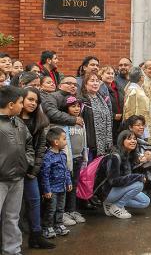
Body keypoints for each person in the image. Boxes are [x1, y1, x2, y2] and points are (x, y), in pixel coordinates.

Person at [19, 88, 56, 249]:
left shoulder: (40, 122)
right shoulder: (12, 119)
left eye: (36, 101)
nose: (33, 103)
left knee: (34, 201)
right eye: (30, 100)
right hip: (12, 169)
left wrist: (34, 169)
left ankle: (36, 236)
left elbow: (41, 148)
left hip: (31, 170)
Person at [0, 86, 34, 255]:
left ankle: (12, 250)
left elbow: (29, 144)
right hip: (1, 180)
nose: (23, 106)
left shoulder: (18, 122)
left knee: (12, 217)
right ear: (11, 104)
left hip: (18, 178)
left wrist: (27, 162)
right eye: (21, 102)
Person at [94, 130, 150, 219]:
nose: (133, 141)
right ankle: (117, 206)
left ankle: (112, 204)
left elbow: (127, 174)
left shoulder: (129, 155)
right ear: (121, 141)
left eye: (134, 139)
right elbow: (113, 181)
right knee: (139, 184)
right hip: (107, 192)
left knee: (145, 201)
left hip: (118, 189)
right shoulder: (114, 157)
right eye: (129, 139)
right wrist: (137, 177)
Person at [57, 96, 87, 226]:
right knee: (65, 186)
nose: (76, 109)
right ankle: (62, 213)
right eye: (73, 106)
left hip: (78, 158)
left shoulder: (81, 122)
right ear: (66, 108)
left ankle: (71, 210)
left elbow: (83, 139)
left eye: (78, 106)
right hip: (67, 159)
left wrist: (84, 156)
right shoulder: (64, 123)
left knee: (74, 186)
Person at [40, 127, 73, 238]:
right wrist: (46, 190)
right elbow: (44, 175)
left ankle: (58, 225)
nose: (66, 141)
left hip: (62, 188)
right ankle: (47, 227)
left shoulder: (63, 155)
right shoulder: (48, 157)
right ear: (56, 142)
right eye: (64, 139)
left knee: (60, 208)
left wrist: (68, 182)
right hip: (52, 190)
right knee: (51, 209)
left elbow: (66, 170)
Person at [80, 73, 113, 158]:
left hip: (103, 144)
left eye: (97, 81)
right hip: (89, 144)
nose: (95, 83)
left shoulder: (102, 99)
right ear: (85, 84)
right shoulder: (82, 100)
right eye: (92, 81)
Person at [123, 67, 151, 144]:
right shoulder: (134, 91)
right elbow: (130, 110)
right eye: (143, 76)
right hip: (138, 125)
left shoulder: (136, 89)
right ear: (141, 78)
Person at [100, 66, 125, 143]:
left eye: (112, 73)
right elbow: (101, 106)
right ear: (101, 75)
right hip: (108, 122)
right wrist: (113, 115)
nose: (110, 75)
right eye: (108, 73)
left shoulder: (118, 87)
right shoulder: (100, 88)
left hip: (120, 121)